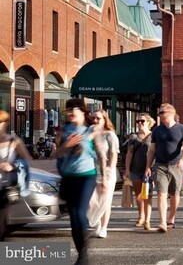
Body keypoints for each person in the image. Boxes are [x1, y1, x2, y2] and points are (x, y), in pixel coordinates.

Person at [55, 99, 107, 265]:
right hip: (69, 176)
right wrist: (67, 145)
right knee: (73, 220)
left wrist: (104, 177)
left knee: (79, 213)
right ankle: (82, 254)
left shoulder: (91, 129)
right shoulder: (64, 129)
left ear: (83, 111)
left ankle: (83, 255)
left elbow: (100, 154)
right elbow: (56, 154)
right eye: (67, 110)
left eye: (73, 110)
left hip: (87, 176)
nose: (69, 113)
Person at [144, 103, 183, 233]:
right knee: (161, 193)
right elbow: (152, 149)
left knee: (174, 194)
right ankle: (163, 222)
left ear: (170, 113)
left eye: (162, 112)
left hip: (176, 165)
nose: (159, 115)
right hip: (160, 165)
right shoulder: (157, 130)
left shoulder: (182, 128)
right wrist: (148, 166)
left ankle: (171, 218)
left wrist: (182, 160)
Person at [87, 110, 120, 238]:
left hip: (106, 171)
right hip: (91, 170)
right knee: (92, 200)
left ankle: (103, 228)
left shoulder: (110, 135)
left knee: (105, 201)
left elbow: (113, 156)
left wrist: (109, 173)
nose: (95, 121)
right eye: (94, 118)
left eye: (99, 119)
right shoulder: (90, 131)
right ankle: (96, 223)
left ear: (105, 120)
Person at [0, 110, 31, 241]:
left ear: (5, 124)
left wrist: (12, 166)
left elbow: (27, 160)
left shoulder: (14, 141)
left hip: (3, 188)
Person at [124, 114, 155, 231]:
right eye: (138, 121)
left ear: (148, 122)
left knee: (147, 195)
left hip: (149, 170)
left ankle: (147, 220)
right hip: (135, 169)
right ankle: (141, 216)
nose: (139, 123)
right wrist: (127, 169)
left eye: (142, 121)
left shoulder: (153, 136)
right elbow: (129, 154)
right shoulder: (133, 137)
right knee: (138, 195)